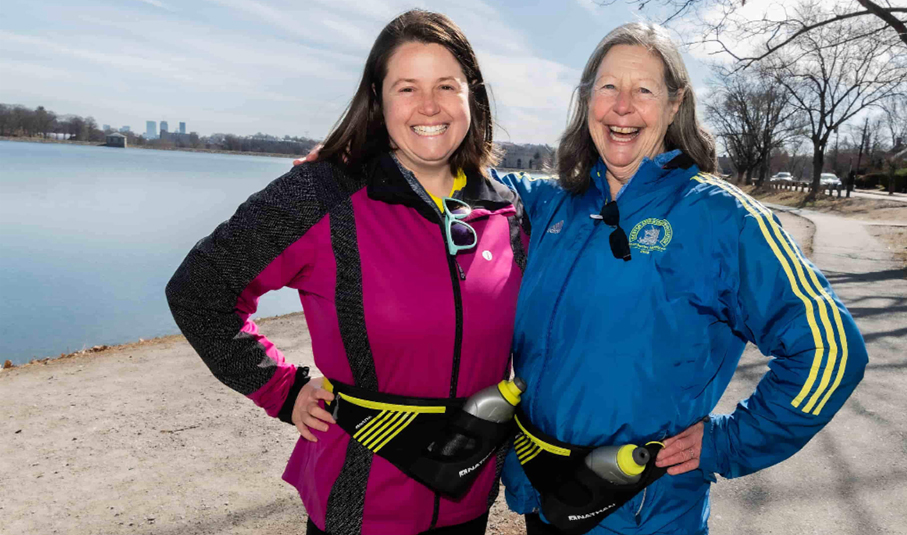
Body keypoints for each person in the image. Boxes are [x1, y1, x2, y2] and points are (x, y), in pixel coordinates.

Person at [493, 22, 868, 534]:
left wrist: (727, 442)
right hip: (544, 500)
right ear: (587, 101)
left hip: (643, 513)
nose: (622, 106)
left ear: (674, 106)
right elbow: (460, 172)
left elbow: (832, 351)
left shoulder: (723, 219)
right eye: (607, 87)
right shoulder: (555, 203)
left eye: (643, 90)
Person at [166, 10, 526, 535]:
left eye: (446, 86)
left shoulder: (511, 210)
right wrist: (282, 390)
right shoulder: (320, 195)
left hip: (469, 501)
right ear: (377, 100)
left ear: (473, 97)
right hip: (361, 508)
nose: (429, 106)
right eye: (407, 88)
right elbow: (200, 292)